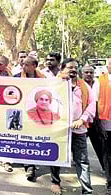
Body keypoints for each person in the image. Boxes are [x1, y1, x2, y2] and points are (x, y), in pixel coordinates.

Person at [50, 58, 95, 195]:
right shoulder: (56, 84)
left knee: (82, 160)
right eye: (70, 67)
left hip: (79, 129)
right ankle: (55, 183)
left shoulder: (84, 86)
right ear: (62, 69)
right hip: (60, 128)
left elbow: (92, 103)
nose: (73, 70)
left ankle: (87, 190)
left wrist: (82, 119)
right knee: (57, 157)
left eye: (75, 67)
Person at [14, 56, 46, 182]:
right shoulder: (17, 77)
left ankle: (30, 165)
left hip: (36, 114)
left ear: (34, 66)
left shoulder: (43, 79)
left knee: (33, 139)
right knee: (23, 139)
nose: (24, 67)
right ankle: (28, 165)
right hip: (22, 113)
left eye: (27, 65)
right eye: (23, 64)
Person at [92, 57, 111, 194]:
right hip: (107, 123)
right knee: (108, 154)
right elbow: (95, 102)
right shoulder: (101, 81)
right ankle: (109, 181)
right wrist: (99, 124)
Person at [81, 65, 105, 171]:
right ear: (82, 74)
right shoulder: (79, 85)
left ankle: (106, 169)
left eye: (91, 72)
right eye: (86, 72)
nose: (89, 74)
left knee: (100, 146)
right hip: (82, 121)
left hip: (96, 121)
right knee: (77, 146)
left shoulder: (98, 85)